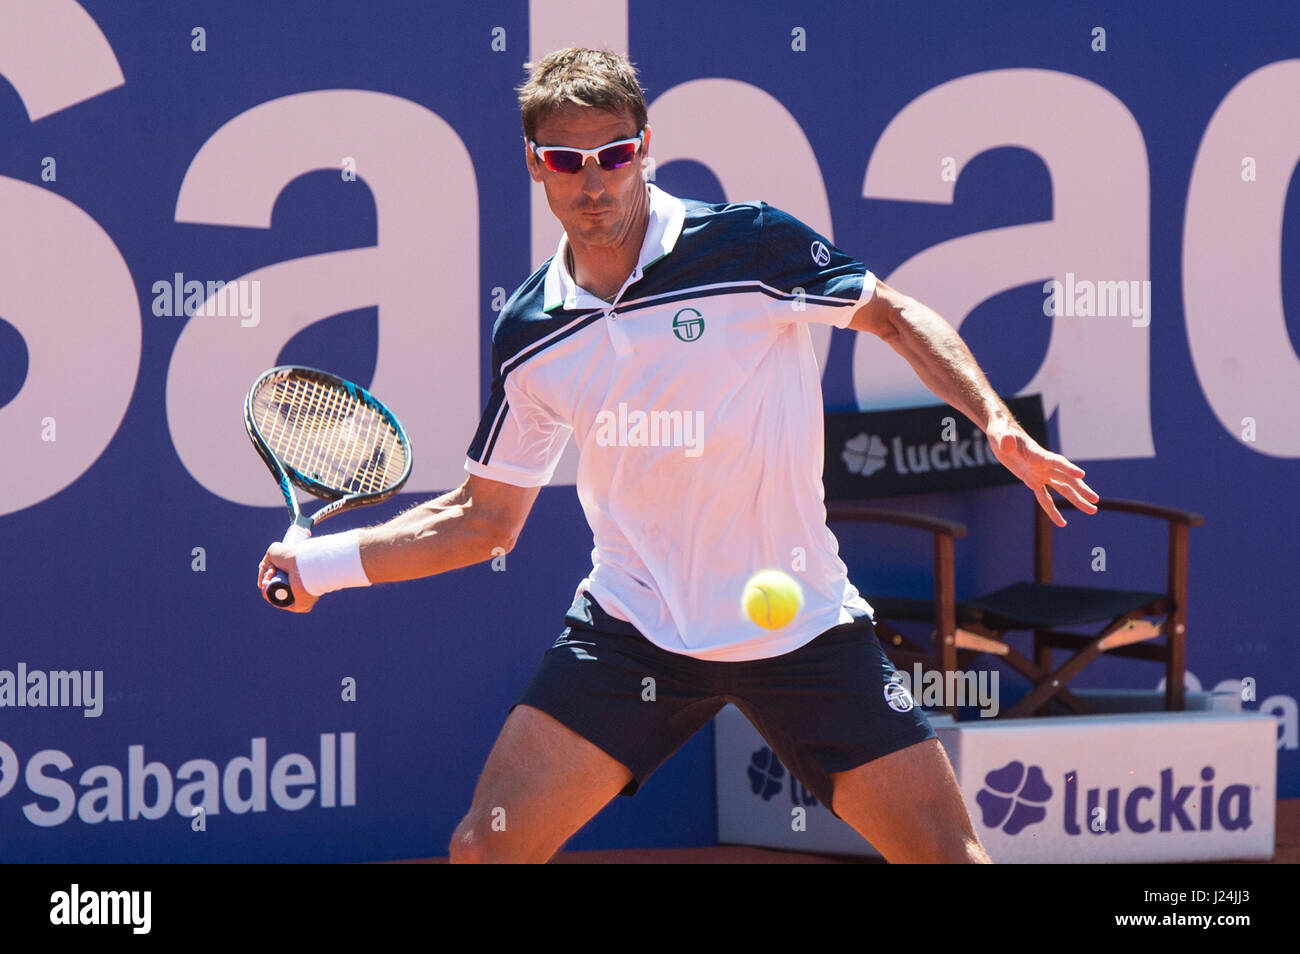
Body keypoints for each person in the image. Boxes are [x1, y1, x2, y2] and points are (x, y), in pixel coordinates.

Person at [258, 47, 1099, 864]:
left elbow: (894, 316)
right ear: (534, 166)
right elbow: (484, 522)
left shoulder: (747, 246)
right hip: (634, 631)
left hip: (802, 627)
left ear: (643, 149)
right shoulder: (531, 333)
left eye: (614, 154)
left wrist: (996, 423)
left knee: (948, 858)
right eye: (568, 159)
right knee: (485, 849)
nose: (594, 181)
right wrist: (321, 567)